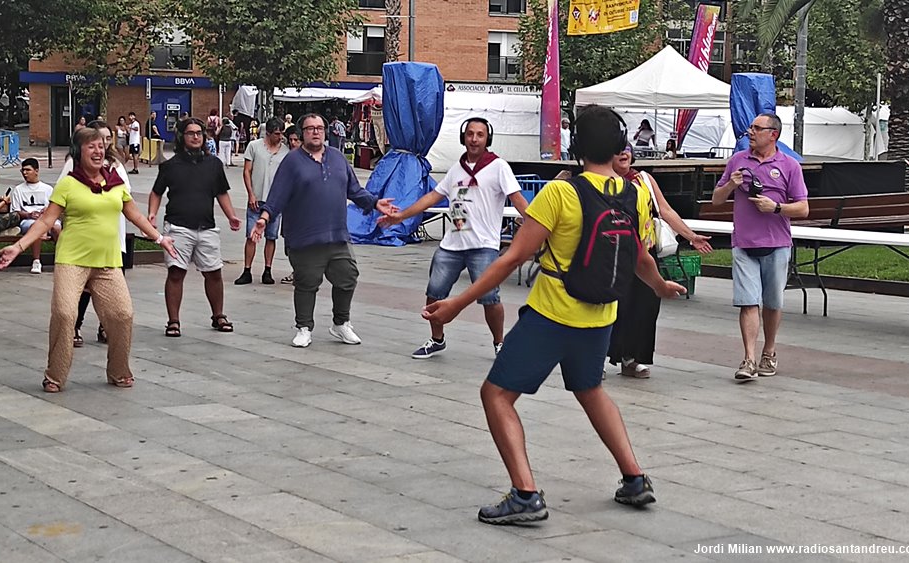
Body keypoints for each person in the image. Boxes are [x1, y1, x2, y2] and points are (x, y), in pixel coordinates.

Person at [421, 105, 686, 524]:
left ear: (576, 146)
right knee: (591, 390)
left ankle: (525, 494)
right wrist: (659, 286)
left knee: (496, 395)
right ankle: (635, 479)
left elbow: (512, 258)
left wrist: (457, 303)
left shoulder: (560, 194)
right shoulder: (634, 193)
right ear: (619, 146)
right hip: (600, 316)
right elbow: (639, 255)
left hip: (552, 315)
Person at [0, 127, 177, 393]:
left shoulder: (115, 181)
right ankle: (54, 375)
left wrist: (160, 238)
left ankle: (119, 371)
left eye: (101, 146)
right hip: (72, 260)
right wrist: (18, 246)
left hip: (107, 262)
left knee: (122, 315)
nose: (98, 150)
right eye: (91, 146)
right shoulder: (69, 184)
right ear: (78, 152)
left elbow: (135, 215)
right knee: (65, 314)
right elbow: (46, 220)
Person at [378, 117, 529, 359]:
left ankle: (499, 343)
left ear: (487, 139)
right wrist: (401, 216)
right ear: (463, 137)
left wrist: (536, 223)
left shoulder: (498, 166)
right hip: (451, 245)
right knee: (434, 291)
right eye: (470, 134)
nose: (474, 139)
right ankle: (437, 339)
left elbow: (517, 198)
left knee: (489, 297)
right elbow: (433, 197)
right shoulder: (456, 168)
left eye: (480, 134)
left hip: (483, 245)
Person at [251, 113, 396, 348]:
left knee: (348, 277)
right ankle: (304, 328)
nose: (316, 132)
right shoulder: (292, 162)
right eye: (310, 128)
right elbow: (277, 195)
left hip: (337, 235)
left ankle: (341, 323)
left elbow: (354, 190)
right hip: (304, 237)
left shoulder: (337, 158)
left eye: (319, 128)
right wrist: (264, 218)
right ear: (302, 133)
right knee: (307, 283)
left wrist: (375, 203)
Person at [711, 113, 809, 381]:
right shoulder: (737, 160)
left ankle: (769, 351)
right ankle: (749, 359)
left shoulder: (789, 165)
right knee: (748, 302)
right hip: (744, 243)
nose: (750, 132)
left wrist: (775, 207)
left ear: (773, 134)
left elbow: (803, 208)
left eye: (757, 128)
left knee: (773, 303)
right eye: (750, 128)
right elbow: (716, 199)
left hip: (777, 244)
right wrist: (730, 185)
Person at [607, 145, 712, 378]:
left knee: (645, 305)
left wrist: (691, 236)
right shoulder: (601, 180)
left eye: (626, 149)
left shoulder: (643, 179)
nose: (623, 154)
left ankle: (631, 358)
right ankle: (596, 358)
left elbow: (665, 210)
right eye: (617, 150)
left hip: (645, 251)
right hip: (611, 253)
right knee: (613, 306)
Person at [148, 117, 242, 338]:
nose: (196, 137)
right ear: (182, 137)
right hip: (178, 227)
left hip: (207, 227)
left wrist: (231, 216)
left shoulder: (214, 164)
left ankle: (218, 315)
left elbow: (221, 192)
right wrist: (151, 214)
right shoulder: (170, 166)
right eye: (190, 133)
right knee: (176, 272)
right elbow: (156, 192)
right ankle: (173, 321)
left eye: (199, 133)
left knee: (214, 273)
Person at [59, 119, 132, 348]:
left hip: (112, 239)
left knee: (113, 294)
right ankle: (75, 325)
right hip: (82, 242)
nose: (103, 145)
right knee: (81, 290)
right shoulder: (73, 165)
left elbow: (126, 197)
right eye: (97, 141)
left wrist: (157, 236)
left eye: (106, 140)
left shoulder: (116, 165)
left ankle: (106, 327)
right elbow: (60, 199)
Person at [235, 117, 290, 286]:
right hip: (257, 198)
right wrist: (251, 194)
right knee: (251, 236)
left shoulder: (285, 151)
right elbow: (247, 171)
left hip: (275, 201)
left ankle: (268, 269)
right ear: (268, 133)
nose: (280, 137)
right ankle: (247, 269)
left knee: (271, 237)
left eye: (281, 134)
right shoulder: (254, 146)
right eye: (277, 134)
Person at [11, 158, 61, 274]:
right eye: (23, 170)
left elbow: (55, 208)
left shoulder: (48, 189)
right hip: (28, 221)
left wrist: (47, 210)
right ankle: (36, 261)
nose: (25, 173)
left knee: (57, 227)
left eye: (28, 170)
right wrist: (28, 214)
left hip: (47, 219)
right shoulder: (18, 190)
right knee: (36, 227)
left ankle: (60, 259)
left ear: (36, 171)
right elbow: (16, 211)